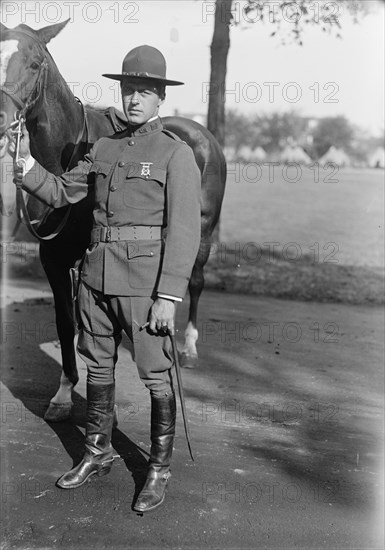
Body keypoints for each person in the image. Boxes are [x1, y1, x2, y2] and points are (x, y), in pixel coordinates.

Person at [12, 45, 201, 513]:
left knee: (156, 375)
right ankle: (98, 453)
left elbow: (183, 232)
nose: (134, 99)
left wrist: (169, 296)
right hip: (95, 277)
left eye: (144, 92)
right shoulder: (103, 148)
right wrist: (27, 170)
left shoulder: (176, 155)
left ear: (160, 98)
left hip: (144, 284)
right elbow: (62, 191)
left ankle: (157, 468)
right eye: (128, 90)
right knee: (97, 365)